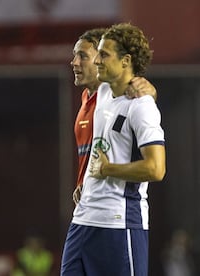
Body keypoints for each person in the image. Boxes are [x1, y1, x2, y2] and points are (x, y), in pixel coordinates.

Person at [61, 23, 166, 276]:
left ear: (125, 60)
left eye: (103, 55)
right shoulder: (103, 92)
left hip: (119, 222)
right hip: (83, 219)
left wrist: (108, 169)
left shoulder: (140, 105)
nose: (96, 61)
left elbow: (156, 168)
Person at [71, 28, 157, 205]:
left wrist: (151, 91)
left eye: (83, 56)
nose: (74, 62)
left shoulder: (122, 94)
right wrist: (83, 182)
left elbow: (139, 96)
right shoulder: (88, 98)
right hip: (89, 203)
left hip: (115, 206)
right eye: (75, 56)